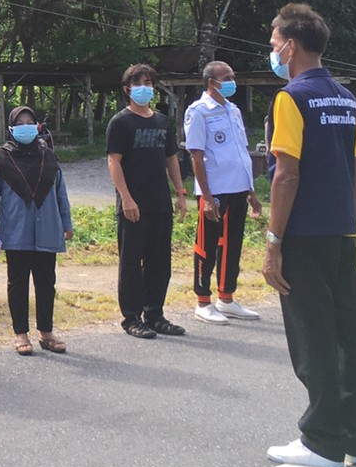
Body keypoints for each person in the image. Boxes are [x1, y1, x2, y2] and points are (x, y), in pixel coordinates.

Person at [262, 3, 356, 467]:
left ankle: (321, 440)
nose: (273, 53)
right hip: (342, 233)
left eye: (274, 45)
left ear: (292, 45)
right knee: (348, 333)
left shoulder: (292, 97)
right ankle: (355, 436)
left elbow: (286, 175)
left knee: (313, 336)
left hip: (304, 236)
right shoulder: (347, 99)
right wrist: (348, 221)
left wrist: (272, 243)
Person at [106, 63, 188, 339]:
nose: (145, 87)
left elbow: (171, 159)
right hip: (133, 205)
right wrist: (126, 198)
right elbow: (114, 162)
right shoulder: (120, 122)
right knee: (131, 262)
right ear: (128, 89)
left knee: (159, 262)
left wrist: (180, 193)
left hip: (160, 202)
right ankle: (131, 318)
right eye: (139, 82)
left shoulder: (162, 121)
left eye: (149, 82)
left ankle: (155, 314)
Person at [0, 106, 73, 356]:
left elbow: (60, 192)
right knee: (18, 282)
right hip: (17, 229)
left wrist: (67, 223)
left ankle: (46, 332)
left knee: (46, 282)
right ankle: (21, 333)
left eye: (29, 122)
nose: (25, 127)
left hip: (47, 228)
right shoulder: (1, 157)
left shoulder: (48, 157)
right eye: (19, 123)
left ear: (37, 126)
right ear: (11, 128)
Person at [184, 61, 265, 324]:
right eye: (227, 77)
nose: (232, 81)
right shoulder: (198, 111)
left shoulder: (233, 110)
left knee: (233, 245)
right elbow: (196, 155)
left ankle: (226, 297)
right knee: (207, 245)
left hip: (239, 187)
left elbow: (242, 151)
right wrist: (206, 198)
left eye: (232, 76)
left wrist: (251, 190)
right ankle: (202, 301)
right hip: (215, 190)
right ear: (211, 82)